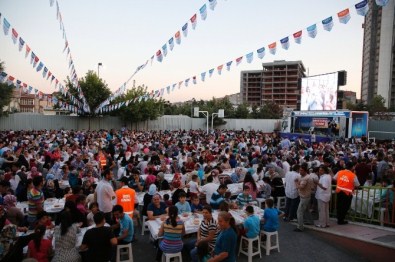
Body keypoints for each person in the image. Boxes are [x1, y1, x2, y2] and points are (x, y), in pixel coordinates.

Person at [294, 163, 314, 232]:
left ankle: (300, 227)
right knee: (306, 210)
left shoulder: (306, 178)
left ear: (305, 171)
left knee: (299, 212)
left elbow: (300, 187)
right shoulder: (305, 176)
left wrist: (296, 183)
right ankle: (310, 221)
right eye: (299, 170)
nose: (300, 172)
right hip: (305, 196)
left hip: (304, 197)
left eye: (301, 170)